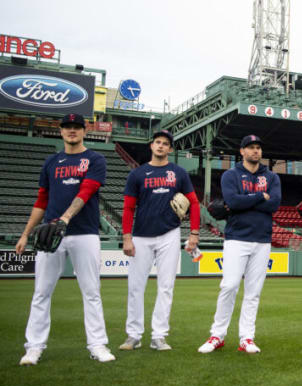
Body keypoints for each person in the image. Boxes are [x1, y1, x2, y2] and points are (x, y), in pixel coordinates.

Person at [16, 113, 115, 365]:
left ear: (84, 131)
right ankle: (34, 347)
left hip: (84, 233)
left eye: (77, 127)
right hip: (51, 233)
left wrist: (66, 218)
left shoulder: (95, 159)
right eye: (67, 127)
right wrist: (26, 234)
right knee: (41, 292)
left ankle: (97, 344)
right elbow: (41, 201)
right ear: (60, 131)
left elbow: (87, 190)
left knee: (91, 292)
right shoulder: (51, 163)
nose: (72, 131)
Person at [119, 130, 201, 351]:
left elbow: (194, 203)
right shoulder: (137, 174)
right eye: (158, 142)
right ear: (151, 146)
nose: (161, 146)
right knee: (135, 286)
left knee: (166, 286)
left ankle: (159, 336)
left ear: (170, 149)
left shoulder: (179, 173)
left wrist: (194, 234)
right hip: (141, 235)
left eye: (166, 144)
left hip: (169, 234)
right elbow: (128, 208)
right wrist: (126, 237)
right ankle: (133, 335)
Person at [198, 135, 280, 354]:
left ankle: (247, 338)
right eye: (251, 147)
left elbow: (274, 205)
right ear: (242, 151)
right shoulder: (230, 175)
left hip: (262, 240)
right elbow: (232, 201)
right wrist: (259, 197)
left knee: (253, 292)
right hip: (236, 238)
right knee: (229, 285)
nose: (255, 151)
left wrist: (248, 200)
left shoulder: (271, 177)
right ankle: (217, 335)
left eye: (258, 147)